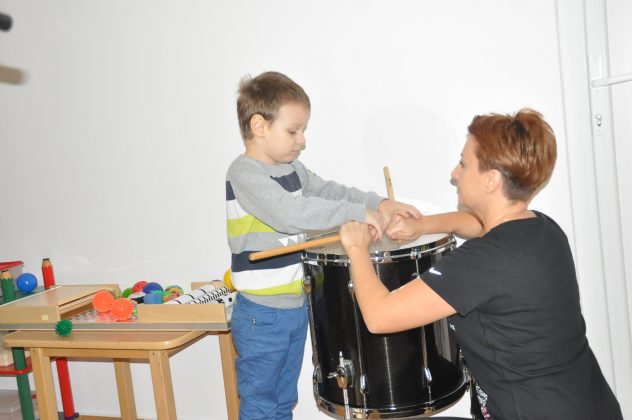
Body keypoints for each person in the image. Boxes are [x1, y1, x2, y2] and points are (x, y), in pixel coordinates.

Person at [339, 109, 623, 420]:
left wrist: (356, 247)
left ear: (491, 180)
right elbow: (477, 225)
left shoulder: (483, 262)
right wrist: (422, 225)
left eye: (463, 164)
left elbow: (379, 316)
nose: (454, 173)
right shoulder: (542, 229)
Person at [225, 71, 420, 420]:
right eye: (293, 131)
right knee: (260, 402)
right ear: (259, 126)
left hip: (294, 307)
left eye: (303, 131)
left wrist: (379, 203)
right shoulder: (245, 173)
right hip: (260, 315)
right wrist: (356, 214)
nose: (302, 141)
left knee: (283, 400)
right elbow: (292, 214)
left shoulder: (293, 169)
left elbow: (330, 192)